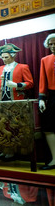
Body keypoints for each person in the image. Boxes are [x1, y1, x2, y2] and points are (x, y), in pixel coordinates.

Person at [0, 43, 33, 161]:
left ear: (13, 55)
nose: (4, 60)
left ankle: (12, 152)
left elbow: (30, 83)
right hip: (1, 101)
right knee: (2, 126)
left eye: (6, 57)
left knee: (13, 127)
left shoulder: (22, 67)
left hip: (16, 101)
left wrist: (17, 85)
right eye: (2, 57)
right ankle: (5, 150)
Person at [39, 33, 55, 170]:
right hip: (53, 96)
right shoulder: (45, 60)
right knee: (48, 127)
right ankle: (54, 159)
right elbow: (43, 80)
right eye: (50, 44)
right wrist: (41, 98)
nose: (53, 46)